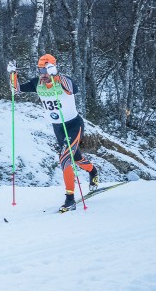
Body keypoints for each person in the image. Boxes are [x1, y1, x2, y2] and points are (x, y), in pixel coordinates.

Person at [7, 54, 99, 212]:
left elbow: (73, 89)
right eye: (40, 70)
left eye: (45, 70)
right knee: (76, 158)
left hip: (73, 125)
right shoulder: (37, 83)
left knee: (65, 157)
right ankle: (93, 171)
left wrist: (56, 75)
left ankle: (70, 199)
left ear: (53, 69)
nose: (42, 74)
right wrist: (12, 74)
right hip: (58, 128)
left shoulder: (63, 81)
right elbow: (16, 90)